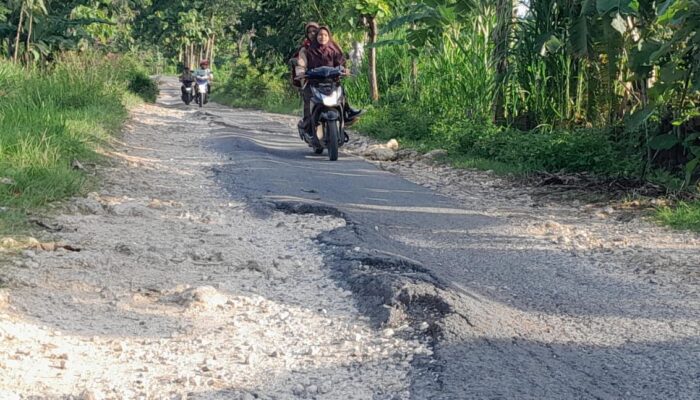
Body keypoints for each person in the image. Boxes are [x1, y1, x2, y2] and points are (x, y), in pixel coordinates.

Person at [294, 25, 362, 131]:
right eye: (319, 35)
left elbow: (341, 62)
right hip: (314, 82)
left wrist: (345, 70)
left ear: (329, 36)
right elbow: (302, 61)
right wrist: (301, 71)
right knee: (307, 96)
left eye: (325, 35)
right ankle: (307, 123)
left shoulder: (333, 48)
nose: (322, 37)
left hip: (331, 82)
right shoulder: (308, 50)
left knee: (342, 93)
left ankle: (346, 114)